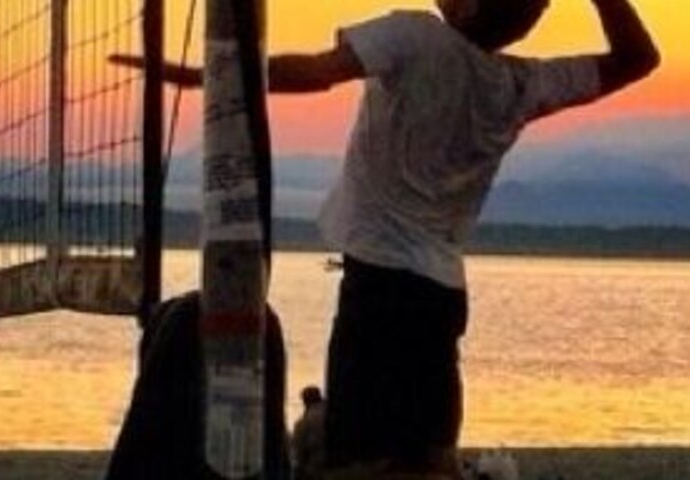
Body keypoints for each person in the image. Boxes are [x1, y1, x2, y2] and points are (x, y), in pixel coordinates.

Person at [112, 0, 658, 477]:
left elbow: (317, 72)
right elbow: (639, 58)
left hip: (380, 288)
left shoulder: (415, 34)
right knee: (425, 456)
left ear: (468, 5)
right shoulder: (520, 84)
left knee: (362, 462)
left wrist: (210, 74)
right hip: (441, 295)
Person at [294, 386, 328, 480]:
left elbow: (300, 450)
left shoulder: (303, 422)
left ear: (305, 401)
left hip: (314, 470)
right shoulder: (331, 413)